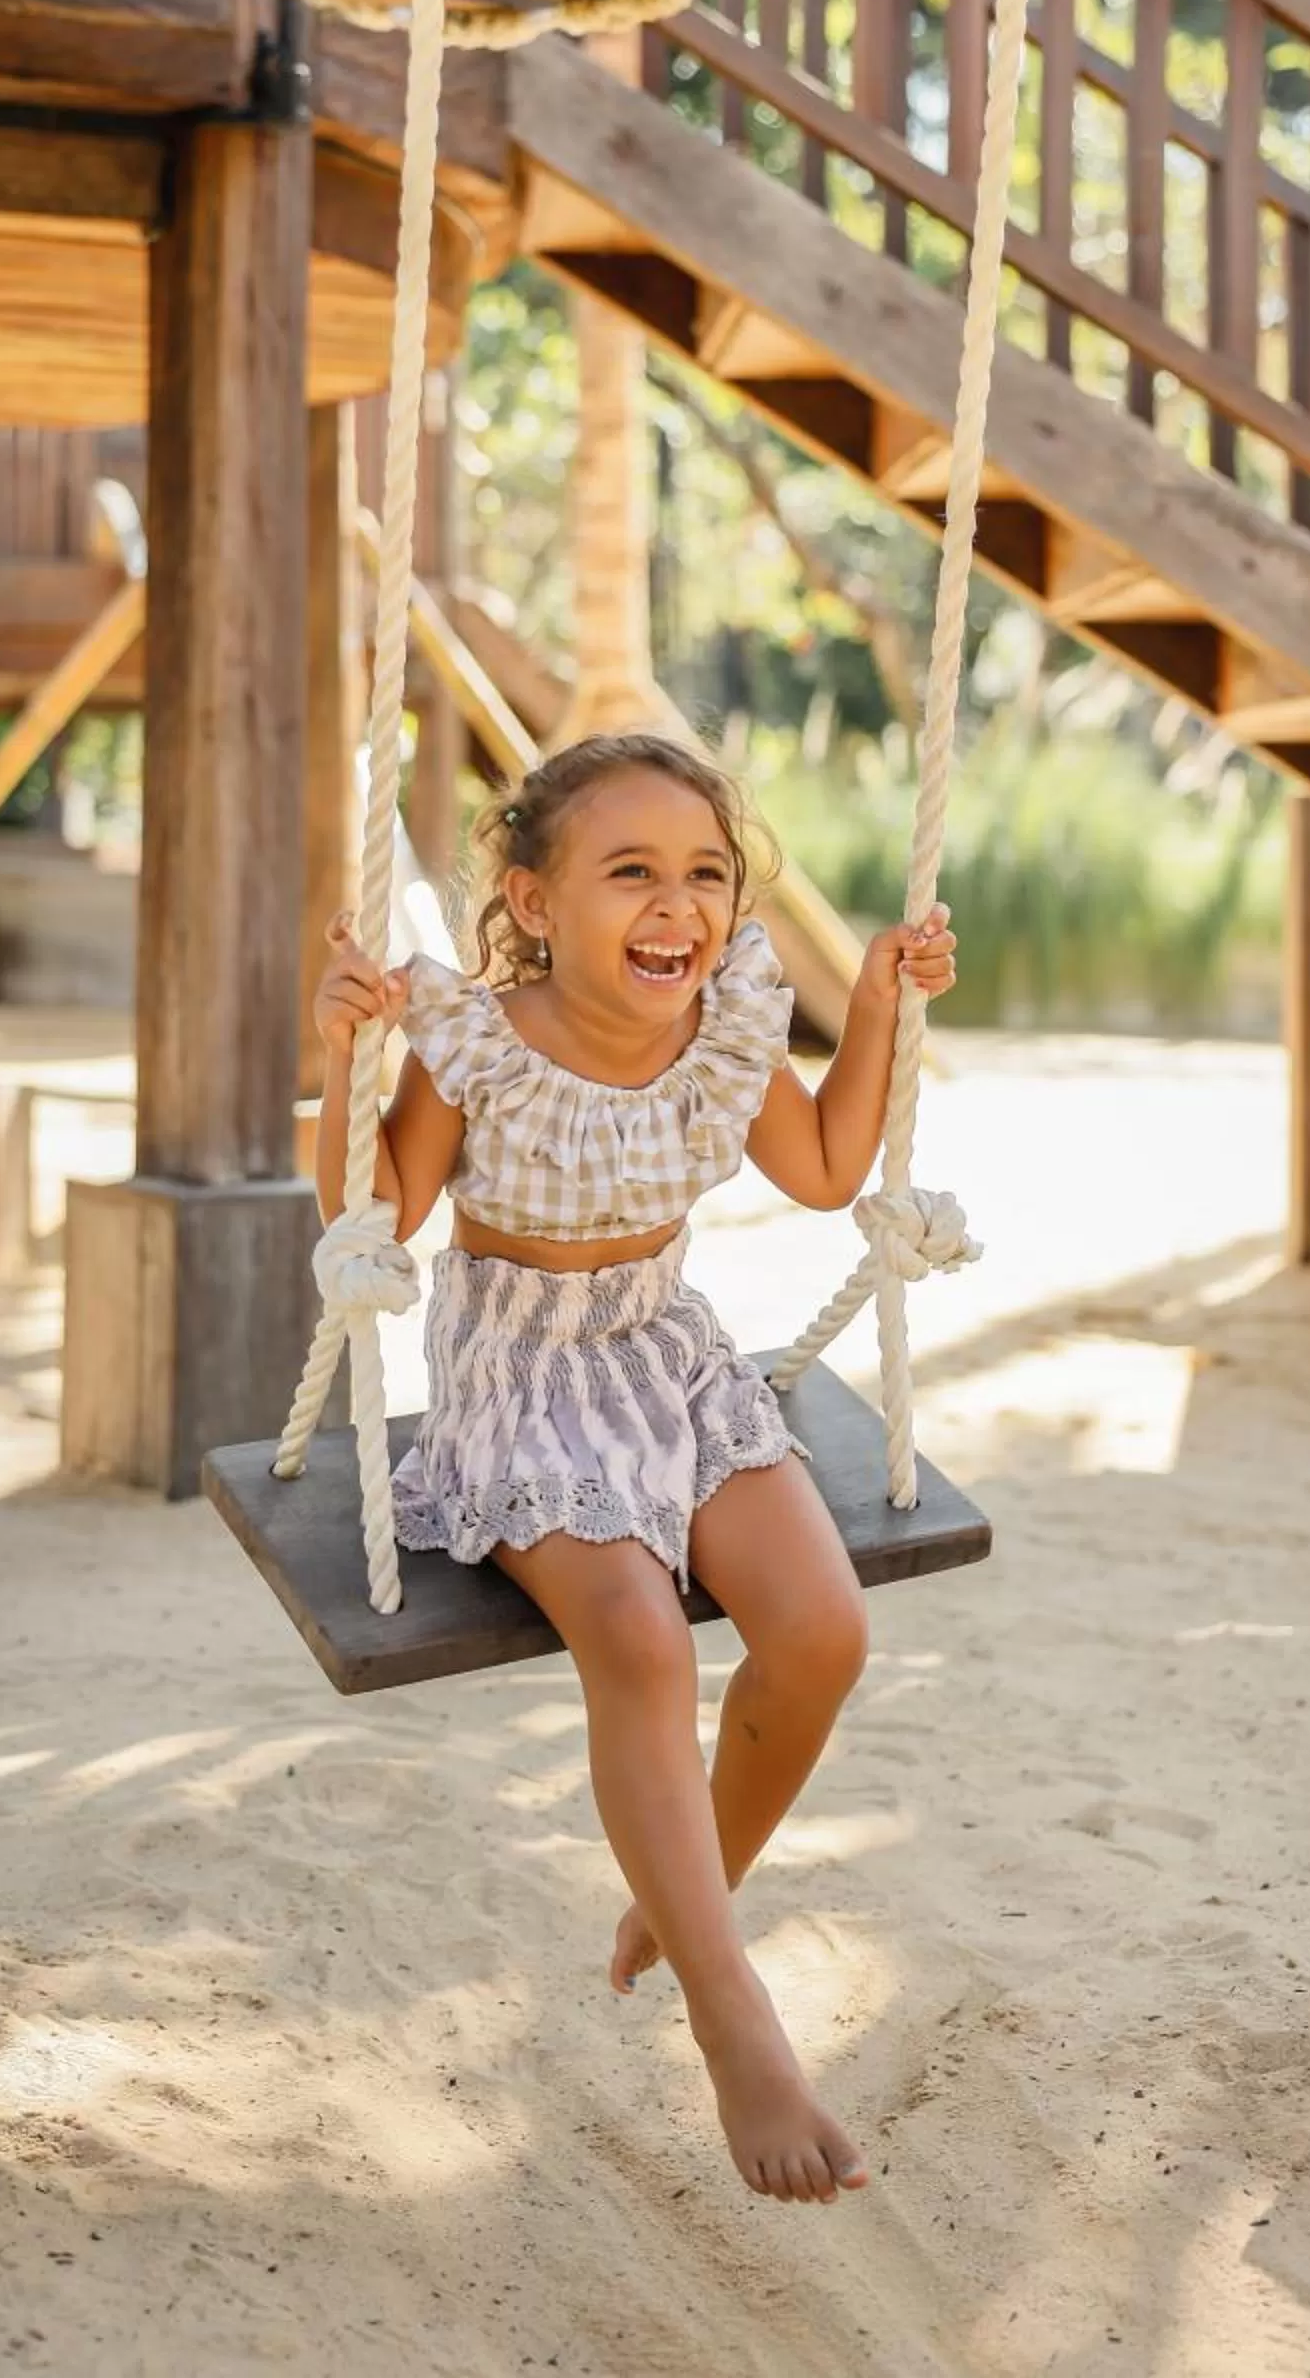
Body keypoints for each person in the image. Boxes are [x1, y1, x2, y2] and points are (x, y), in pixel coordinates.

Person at [312, 732, 958, 2207]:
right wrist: (344, 1055)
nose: (677, 907)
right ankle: (737, 2025)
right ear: (532, 902)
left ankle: (688, 1896)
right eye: (632, 875)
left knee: (823, 1628)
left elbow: (823, 1166)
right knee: (638, 1638)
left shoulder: (726, 1024)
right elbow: (383, 1211)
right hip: (517, 1375)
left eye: (705, 875)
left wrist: (872, 1007)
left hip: (662, 1346)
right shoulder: (475, 1039)